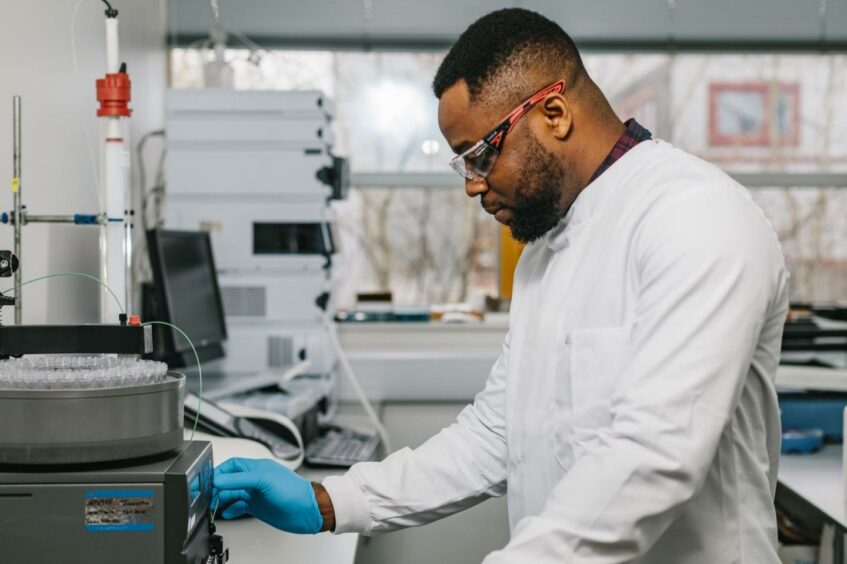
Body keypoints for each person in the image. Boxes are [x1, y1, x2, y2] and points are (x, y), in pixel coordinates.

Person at [213, 8, 789, 563]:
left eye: (481, 155)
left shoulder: (696, 217)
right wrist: (330, 500)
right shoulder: (549, 249)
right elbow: (496, 433)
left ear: (555, 113)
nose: (472, 186)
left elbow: (653, 457)